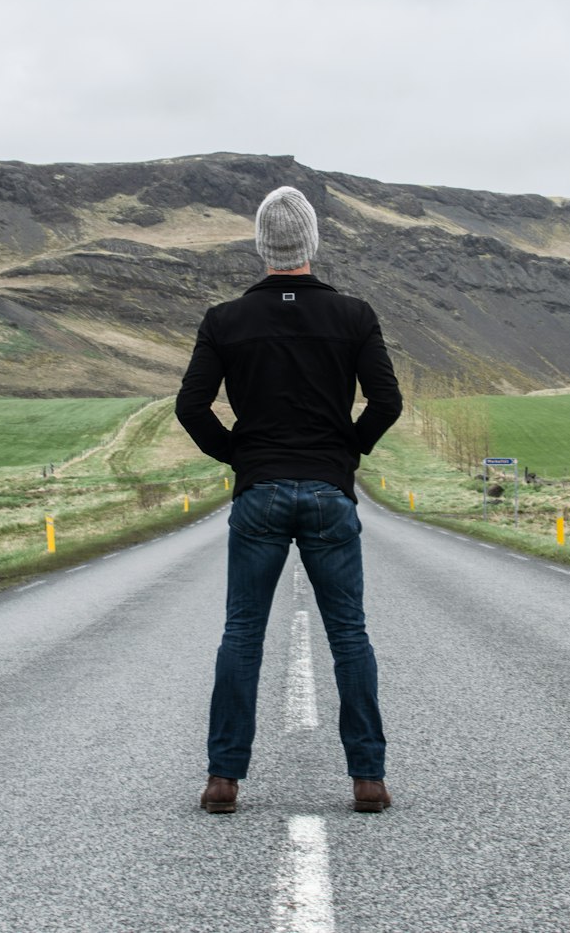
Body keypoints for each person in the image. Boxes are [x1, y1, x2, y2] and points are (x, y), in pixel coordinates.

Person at [175, 185, 403, 814]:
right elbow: (387, 402)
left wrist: (239, 456)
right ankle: (368, 779)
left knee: (242, 634)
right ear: (311, 243)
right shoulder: (354, 316)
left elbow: (190, 407)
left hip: (260, 493)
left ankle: (224, 779)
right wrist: (344, 455)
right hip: (329, 492)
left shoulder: (225, 321)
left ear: (261, 246)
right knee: (349, 635)